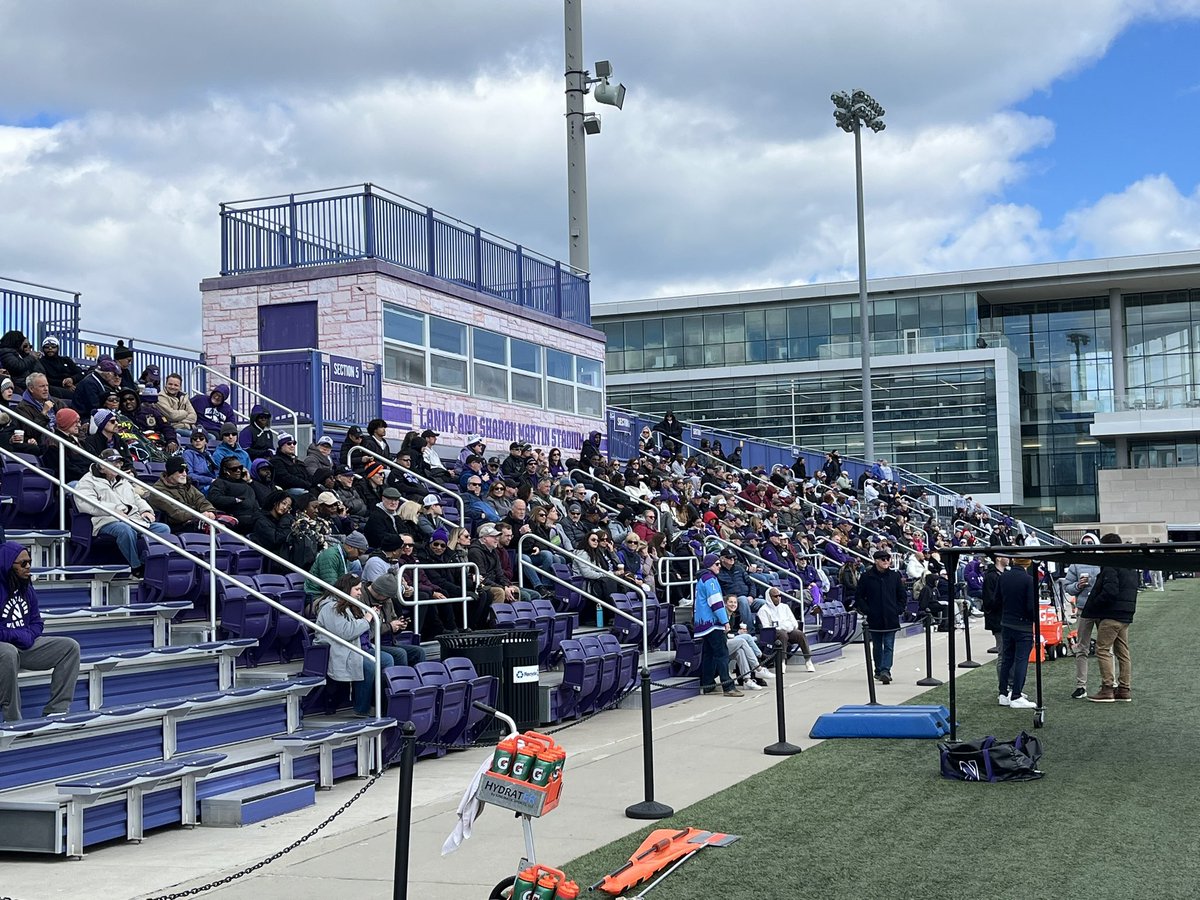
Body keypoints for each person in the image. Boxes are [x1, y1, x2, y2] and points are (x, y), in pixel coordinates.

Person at [0, 542, 81, 721]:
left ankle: (57, 711)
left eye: (29, 562)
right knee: (8, 652)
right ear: (7, 564)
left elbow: (37, 622)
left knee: (69, 647)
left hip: (24, 645)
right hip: (5, 650)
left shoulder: (26, 587)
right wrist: (19, 635)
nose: (28, 567)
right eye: (23, 564)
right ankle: (12, 720)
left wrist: (29, 635)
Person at [74, 449, 172, 576]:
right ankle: (136, 568)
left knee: (163, 529)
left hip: (133, 519)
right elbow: (86, 505)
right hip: (106, 520)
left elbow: (137, 498)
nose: (119, 466)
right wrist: (114, 511)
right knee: (125, 530)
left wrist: (146, 510)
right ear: (102, 465)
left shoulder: (122, 480)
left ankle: (148, 564)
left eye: (120, 463)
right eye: (114, 463)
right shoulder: (87, 481)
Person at [311, 574, 379, 717]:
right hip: (336, 649)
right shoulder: (330, 607)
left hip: (354, 647)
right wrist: (367, 620)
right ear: (347, 589)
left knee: (389, 659)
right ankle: (361, 709)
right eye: (357, 589)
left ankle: (380, 704)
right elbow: (347, 632)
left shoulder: (349, 604)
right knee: (369, 666)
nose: (360, 593)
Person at [1086, 533, 1139, 703]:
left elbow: (1110, 591)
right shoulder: (1130, 565)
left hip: (1111, 614)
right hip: (1126, 615)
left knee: (1102, 650)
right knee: (1123, 652)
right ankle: (1124, 689)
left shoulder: (1110, 565)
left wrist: (1096, 604)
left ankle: (1107, 688)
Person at [693, 553, 742, 697]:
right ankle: (728, 686)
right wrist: (725, 621)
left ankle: (708, 685)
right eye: (717, 564)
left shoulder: (702, 578)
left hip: (702, 623)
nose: (719, 566)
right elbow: (716, 602)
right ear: (710, 565)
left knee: (709, 655)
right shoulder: (710, 579)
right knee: (722, 654)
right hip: (712, 623)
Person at [855, 548, 906, 685]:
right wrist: (867, 610)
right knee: (877, 646)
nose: (886, 561)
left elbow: (902, 595)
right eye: (883, 559)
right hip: (875, 617)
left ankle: (885, 670)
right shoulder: (867, 577)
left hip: (891, 617)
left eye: (888, 559)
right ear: (876, 561)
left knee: (889, 645)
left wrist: (899, 609)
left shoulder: (894, 576)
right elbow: (859, 596)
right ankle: (878, 670)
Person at [995, 557, 1038, 709]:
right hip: (1022, 626)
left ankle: (1003, 693)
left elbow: (996, 600)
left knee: (1007, 658)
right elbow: (1030, 607)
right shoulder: (1028, 580)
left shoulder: (1003, 577)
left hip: (1006, 623)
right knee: (1021, 660)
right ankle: (1016, 694)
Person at [1064, 532, 1102, 700]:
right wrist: (1078, 586)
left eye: (1090, 542)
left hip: (1102, 609)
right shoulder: (1076, 564)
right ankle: (1081, 685)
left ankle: (1109, 682)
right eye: (1084, 542)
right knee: (1081, 648)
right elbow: (1067, 586)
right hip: (1083, 609)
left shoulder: (1103, 561)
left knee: (1106, 648)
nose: (1087, 545)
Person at [147, 457, 217, 532]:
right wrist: (200, 516)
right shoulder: (158, 491)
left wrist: (209, 511)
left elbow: (201, 499)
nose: (185, 474)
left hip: (194, 519)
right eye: (181, 471)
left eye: (186, 471)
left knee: (226, 522)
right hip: (177, 526)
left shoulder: (186, 485)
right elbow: (176, 513)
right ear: (171, 473)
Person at [756, 586, 815, 673]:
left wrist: (784, 626)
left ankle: (808, 660)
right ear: (769, 597)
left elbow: (794, 623)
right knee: (782, 634)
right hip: (773, 634)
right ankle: (782, 662)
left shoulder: (785, 607)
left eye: (779, 596)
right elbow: (766, 627)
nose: (778, 598)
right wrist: (783, 626)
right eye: (775, 596)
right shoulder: (763, 610)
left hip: (789, 630)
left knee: (800, 634)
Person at [306, 530, 370, 603]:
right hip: (317, 597)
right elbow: (332, 587)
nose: (359, 556)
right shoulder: (330, 556)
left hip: (331, 596)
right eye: (359, 553)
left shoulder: (345, 557)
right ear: (349, 547)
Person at [723, 595, 770, 689]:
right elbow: (724, 634)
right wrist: (737, 634)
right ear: (725, 603)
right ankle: (758, 667)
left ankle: (747, 680)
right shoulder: (723, 615)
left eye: (735, 602)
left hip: (728, 642)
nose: (733, 604)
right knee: (743, 640)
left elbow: (730, 634)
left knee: (741, 650)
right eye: (730, 602)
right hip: (721, 644)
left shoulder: (731, 615)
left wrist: (737, 633)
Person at [206, 454, 261, 534]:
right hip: (236, 516)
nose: (238, 470)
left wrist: (249, 481)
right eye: (234, 469)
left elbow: (260, 500)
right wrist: (235, 500)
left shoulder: (246, 485)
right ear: (225, 470)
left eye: (240, 468)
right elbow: (214, 498)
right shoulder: (220, 482)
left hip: (254, 516)